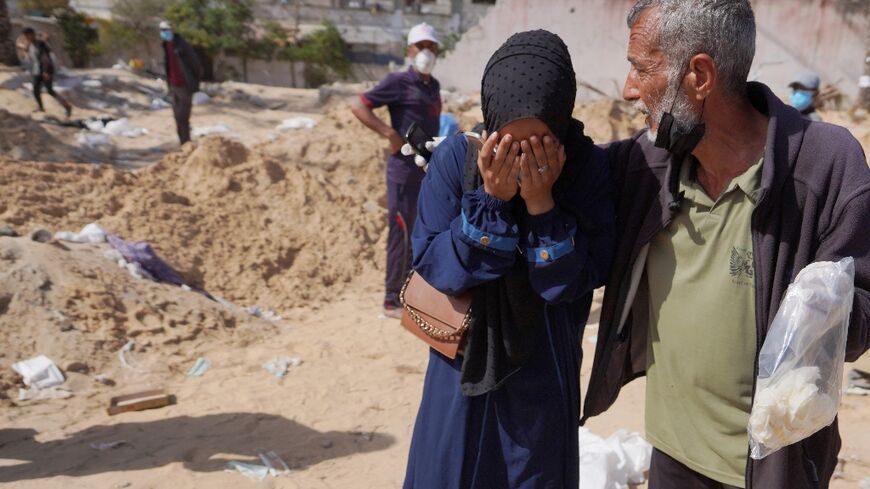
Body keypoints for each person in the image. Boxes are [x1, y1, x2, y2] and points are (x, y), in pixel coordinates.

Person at [582, 1, 870, 488]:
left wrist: (829, 303)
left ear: (699, 75)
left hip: (772, 469)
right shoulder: (647, 165)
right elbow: (565, 170)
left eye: (640, 68)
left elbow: (862, 317)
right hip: (671, 457)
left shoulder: (824, 166)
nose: (630, 90)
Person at [403, 30, 615, 488]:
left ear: (560, 124)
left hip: (544, 371)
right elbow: (432, 267)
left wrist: (541, 206)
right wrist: (492, 205)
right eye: (509, 145)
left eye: (538, 145)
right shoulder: (456, 162)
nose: (522, 160)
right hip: (460, 371)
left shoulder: (585, 171)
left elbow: (576, 280)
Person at [350, 23, 442, 318]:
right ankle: (392, 299)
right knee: (401, 233)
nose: (426, 52)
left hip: (425, 170)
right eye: (421, 46)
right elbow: (359, 106)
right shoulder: (397, 81)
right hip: (402, 170)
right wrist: (389, 133)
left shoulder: (433, 86)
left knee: (421, 234)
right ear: (409, 50)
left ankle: (411, 292)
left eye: (432, 47)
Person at [159, 21, 202, 145]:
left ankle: (186, 143)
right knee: (177, 117)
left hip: (184, 86)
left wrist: (193, 83)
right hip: (174, 86)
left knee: (183, 117)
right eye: (162, 30)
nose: (164, 32)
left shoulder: (182, 45)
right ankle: (182, 143)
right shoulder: (166, 46)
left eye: (166, 30)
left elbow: (196, 65)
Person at [22, 28, 71, 117]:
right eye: (25, 36)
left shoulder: (41, 44)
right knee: (35, 90)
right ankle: (41, 107)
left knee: (50, 91)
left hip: (46, 70)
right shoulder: (31, 45)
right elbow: (28, 54)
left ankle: (67, 106)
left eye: (27, 35)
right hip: (37, 70)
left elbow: (46, 59)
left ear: (32, 34)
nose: (26, 37)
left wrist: (46, 72)